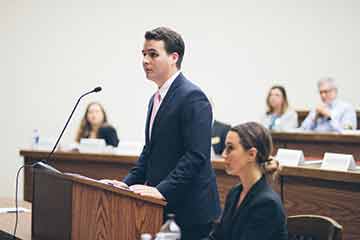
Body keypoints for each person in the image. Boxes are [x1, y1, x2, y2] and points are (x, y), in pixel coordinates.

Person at [101, 27, 220, 240]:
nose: (145, 60)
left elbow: (197, 156)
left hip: (190, 209)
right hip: (165, 205)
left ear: (174, 57)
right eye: (144, 54)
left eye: (153, 54)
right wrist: (126, 184)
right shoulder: (155, 98)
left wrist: (162, 190)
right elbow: (150, 151)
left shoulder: (192, 96)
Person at [208, 122, 288, 240]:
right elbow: (217, 237)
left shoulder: (267, 203)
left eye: (230, 148)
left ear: (251, 154)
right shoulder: (234, 193)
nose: (224, 154)